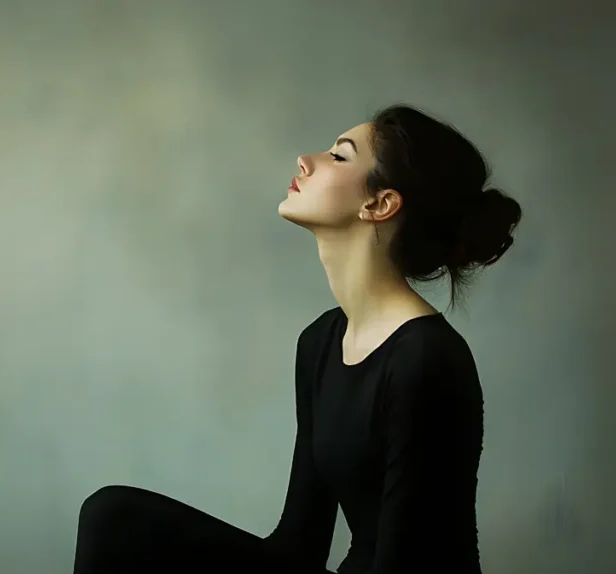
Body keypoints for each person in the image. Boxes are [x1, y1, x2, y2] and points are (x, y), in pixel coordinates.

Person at [71, 104, 523, 574]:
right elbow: (298, 546)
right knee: (115, 519)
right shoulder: (322, 341)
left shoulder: (426, 359)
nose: (306, 161)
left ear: (380, 203)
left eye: (339, 156)